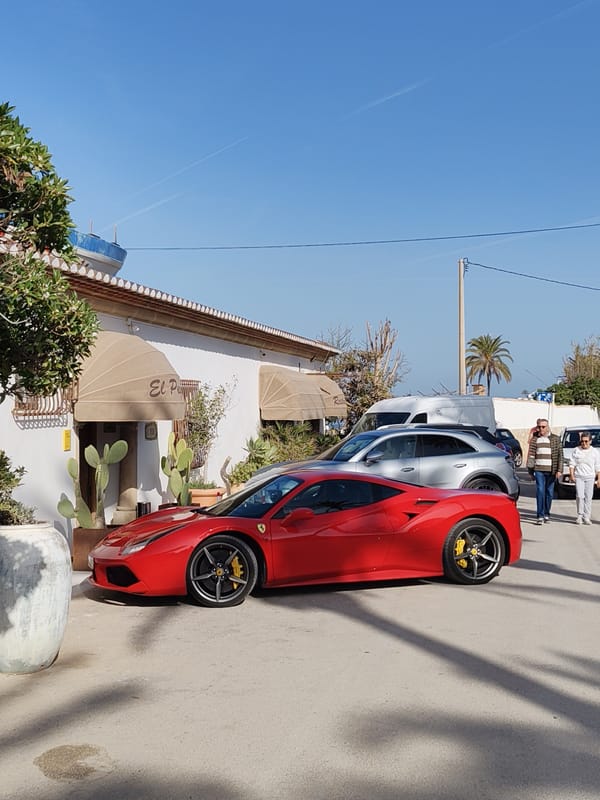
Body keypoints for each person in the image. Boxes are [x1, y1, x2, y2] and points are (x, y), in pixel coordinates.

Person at [526, 419, 563, 524]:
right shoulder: (535, 439)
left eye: (543, 427)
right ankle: (540, 515)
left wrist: (559, 470)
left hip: (551, 470)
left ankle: (547, 513)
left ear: (547, 427)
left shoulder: (555, 439)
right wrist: (530, 471)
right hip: (539, 470)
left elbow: (560, 455)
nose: (541, 429)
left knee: (549, 493)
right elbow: (531, 456)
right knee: (540, 491)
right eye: (539, 427)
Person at [568, 431, 600, 525]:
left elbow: (598, 466)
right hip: (579, 476)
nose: (584, 443)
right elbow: (572, 464)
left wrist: (599, 479)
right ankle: (580, 515)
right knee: (580, 496)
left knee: (588, 497)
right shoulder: (576, 450)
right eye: (582, 441)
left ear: (590, 441)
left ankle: (587, 516)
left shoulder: (595, 452)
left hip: (590, 477)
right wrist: (571, 475)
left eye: (586, 441)